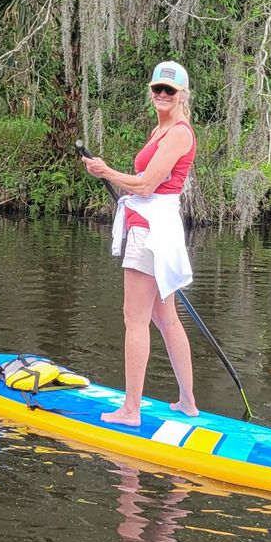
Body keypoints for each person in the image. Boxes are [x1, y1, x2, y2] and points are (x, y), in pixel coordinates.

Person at [80, 60, 198, 426]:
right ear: (151, 92)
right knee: (165, 318)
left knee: (134, 320)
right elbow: (147, 185)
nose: (162, 95)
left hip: (151, 231)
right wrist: (113, 177)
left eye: (170, 91)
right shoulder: (159, 130)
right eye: (158, 89)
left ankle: (131, 411)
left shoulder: (179, 133)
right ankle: (187, 403)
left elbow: (147, 184)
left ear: (182, 95)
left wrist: (106, 172)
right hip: (152, 228)